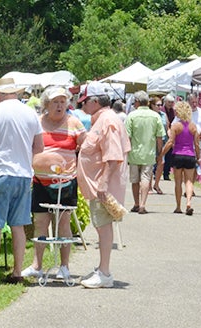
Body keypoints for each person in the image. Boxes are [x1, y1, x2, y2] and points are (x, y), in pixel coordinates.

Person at [0, 78, 44, 286]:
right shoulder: (30, 112)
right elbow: (39, 147)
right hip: (23, 174)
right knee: (18, 226)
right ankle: (17, 271)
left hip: (0, 172)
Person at [21, 87, 86, 281]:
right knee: (40, 222)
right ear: (46, 105)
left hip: (65, 182)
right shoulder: (38, 123)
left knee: (63, 223)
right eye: (55, 102)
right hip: (40, 181)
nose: (59, 106)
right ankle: (36, 265)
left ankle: (64, 267)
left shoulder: (74, 123)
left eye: (62, 102)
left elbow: (85, 148)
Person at [76, 81, 131, 288]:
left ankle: (105, 272)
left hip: (102, 187)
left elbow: (114, 156)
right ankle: (102, 269)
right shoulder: (102, 119)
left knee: (103, 226)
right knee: (101, 226)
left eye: (84, 102)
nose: (82, 106)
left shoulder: (107, 121)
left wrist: (103, 182)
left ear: (95, 101)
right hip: (98, 185)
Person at [124, 91, 165, 214]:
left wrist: (125, 152)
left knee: (135, 180)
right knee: (146, 178)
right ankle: (143, 204)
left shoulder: (131, 116)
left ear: (136, 101)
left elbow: (128, 137)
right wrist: (160, 153)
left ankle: (136, 203)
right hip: (149, 153)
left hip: (134, 153)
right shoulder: (155, 116)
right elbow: (159, 137)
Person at [160, 101, 200, 216]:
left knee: (178, 182)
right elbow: (196, 144)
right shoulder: (193, 126)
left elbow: (170, 142)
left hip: (177, 154)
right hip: (190, 155)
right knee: (189, 181)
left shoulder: (175, 126)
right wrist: (198, 157)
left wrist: (161, 155)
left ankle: (178, 206)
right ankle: (188, 202)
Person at [150, 96, 169, 194]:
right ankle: (148, 185)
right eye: (158, 105)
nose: (160, 107)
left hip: (162, 141)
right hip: (151, 142)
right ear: (152, 105)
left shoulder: (163, 115)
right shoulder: (150, 115)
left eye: (161, 105)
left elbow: (167, 126)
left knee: (161, 163)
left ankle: (156, 184)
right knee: (150, 163)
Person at [161, 94, 176, 180]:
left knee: (169, 155)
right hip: (162, 135)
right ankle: (157, 171)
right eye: (169, 102)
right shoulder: (162, 110)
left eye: (172, 102)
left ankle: (166, 173)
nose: (171, 104)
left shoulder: (173, 111)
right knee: (160, 153)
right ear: (165, 102)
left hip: (171, 135)